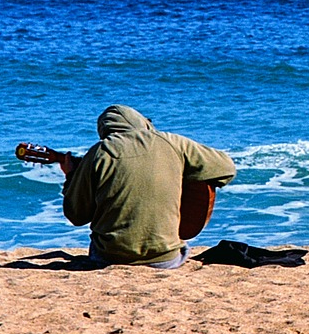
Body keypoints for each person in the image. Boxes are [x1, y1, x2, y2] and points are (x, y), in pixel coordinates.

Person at [60, 105, 236, 269]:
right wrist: (182, 175)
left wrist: (71, 176)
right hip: (166, 257)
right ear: (142, 122)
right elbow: (226, 168)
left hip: (110, 257)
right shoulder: (171, 142)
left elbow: (76, 216)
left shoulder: (99, 151)